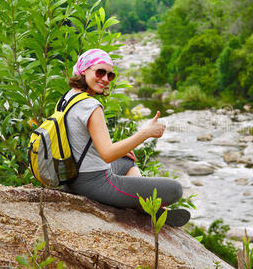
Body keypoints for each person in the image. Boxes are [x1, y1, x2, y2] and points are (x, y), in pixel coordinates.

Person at [63, 48, 189, 227]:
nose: (105, 79)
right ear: (84, 70)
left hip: (72, 177)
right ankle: (144, 205)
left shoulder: (69, 97)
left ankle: (144, 203)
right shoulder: (90, 105)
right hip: (93, 183)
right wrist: (146, 133)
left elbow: (80, 140)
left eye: (110, 75)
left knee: (126, 160)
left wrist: (122, 148)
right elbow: (107, 154)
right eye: (100, 72)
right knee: (175, 189)